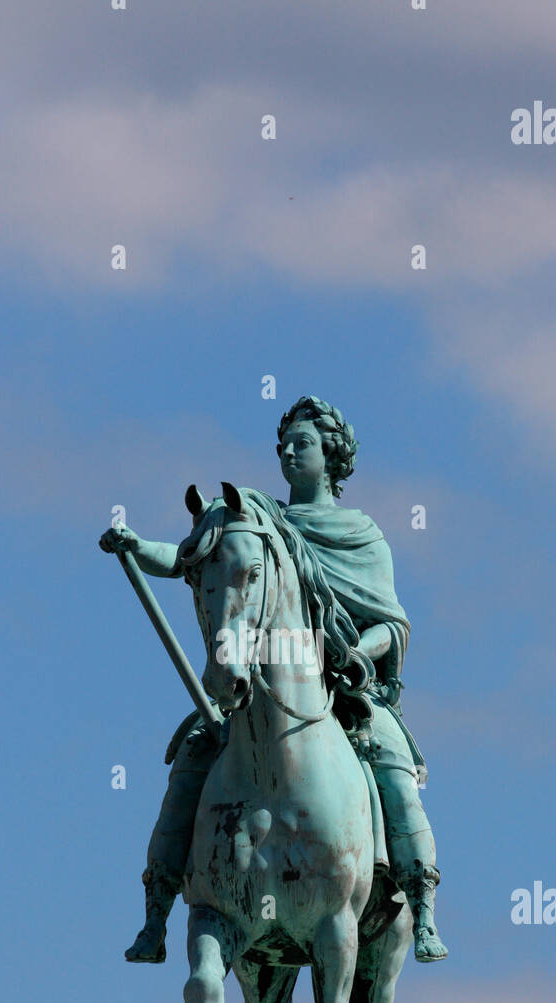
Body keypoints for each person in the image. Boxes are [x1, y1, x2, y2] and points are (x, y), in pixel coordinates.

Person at [99, 396, 447, 966]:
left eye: (301, 443)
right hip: (257, 687)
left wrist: (362, 652)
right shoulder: (263, 526)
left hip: (344, 687)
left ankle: (423, 905)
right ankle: (157, 911)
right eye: (282, 444)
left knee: (391, 758)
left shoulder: (363, 534)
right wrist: (138, 547)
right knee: (191, 756)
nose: (287, 452)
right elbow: (193, 556)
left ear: (331, 457)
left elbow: (392, 623)